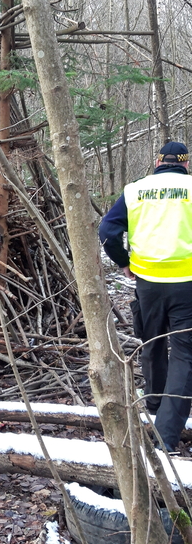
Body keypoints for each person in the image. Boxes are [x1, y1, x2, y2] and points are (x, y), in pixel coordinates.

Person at [99, 140, 192, 454]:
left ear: (157, 161)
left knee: (151, 342)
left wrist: (123, 262)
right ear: (186, 163)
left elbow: (108, 232)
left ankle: (153, 404)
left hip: (148, 283)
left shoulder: (135, 190)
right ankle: (166, 434)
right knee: (184, 355)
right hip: (187, 285)